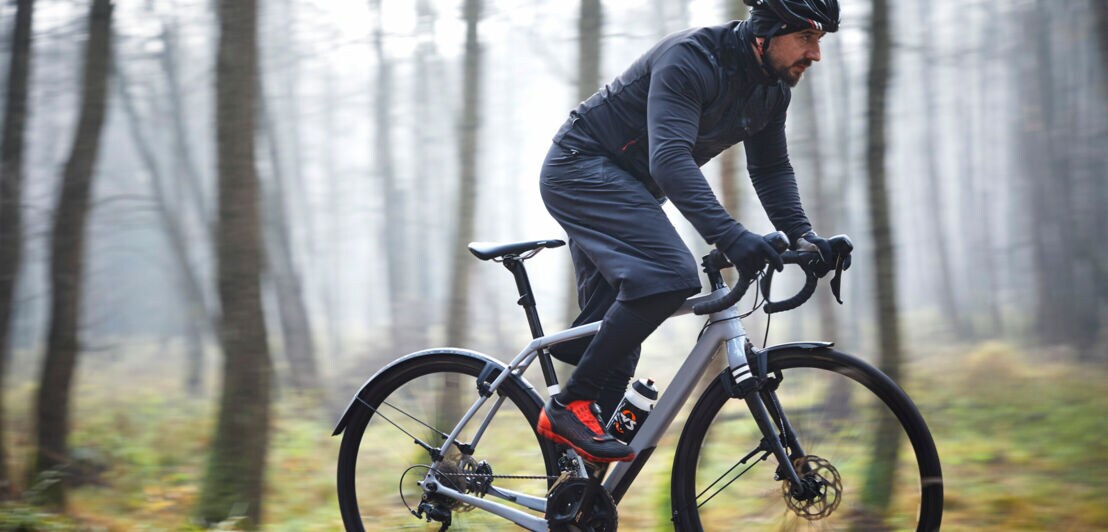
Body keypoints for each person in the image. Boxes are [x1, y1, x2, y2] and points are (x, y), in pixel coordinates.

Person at [535, 0, 842, 463]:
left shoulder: (772, 90)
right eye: (806, 38)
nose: (815, 55)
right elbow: (671, 161)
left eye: (819, 41)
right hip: (580, 168)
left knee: (619, 353)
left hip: (632, 189)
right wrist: (732, 237)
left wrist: (805, 237)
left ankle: (573, 495)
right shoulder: (692, 60)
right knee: (670, 274)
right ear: (767, 31)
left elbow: (772, 168)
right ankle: (567, 405)